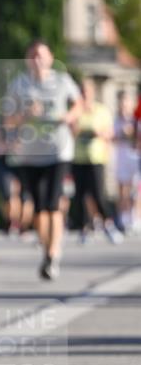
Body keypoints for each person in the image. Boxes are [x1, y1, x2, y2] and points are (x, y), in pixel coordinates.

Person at [3, 40, 82, 280]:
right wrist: (25, 115)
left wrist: (68, 116)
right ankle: (46, 248)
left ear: (50, 58)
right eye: (33, 55)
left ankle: (53, 253)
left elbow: (79, 103)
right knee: (38, 208)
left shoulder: (62, 81)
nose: (37, 60)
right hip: (29, 154)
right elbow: (8, 120)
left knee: (53, 202)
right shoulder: (19, 85)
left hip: (58, 151)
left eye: (42, 55)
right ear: (28, 59)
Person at [71, 78, 122, 243]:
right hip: (78, 158)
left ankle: (108, 223)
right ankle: (84, 227)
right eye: (82, 92)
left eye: (87, 92)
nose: (85, 95)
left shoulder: (102, 110)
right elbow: (70, 130)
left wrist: (98, 133)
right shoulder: (75, 110)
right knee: (80, 195)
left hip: (96, 158)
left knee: (98, 194)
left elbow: (110, 133)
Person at [113, 91, 140, 234]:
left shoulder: (136, 120)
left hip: (135, 158)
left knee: (136, 190)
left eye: (127, 101)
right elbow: (112, 137)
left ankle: (135, 217)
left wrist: (132, 133)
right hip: (121, 158)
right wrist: (122, 133)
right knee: (123, 189)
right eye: (122, 102)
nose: (124, 105)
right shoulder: (116, 120)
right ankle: (123, 218)